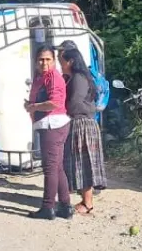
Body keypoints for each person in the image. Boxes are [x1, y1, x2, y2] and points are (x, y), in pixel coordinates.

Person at [24, 45, 72, 220]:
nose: (44, 62)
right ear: (36, 61)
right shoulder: (41, 77)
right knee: (57, 167)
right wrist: (31, 106)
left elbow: (55, 103)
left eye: (48, 59)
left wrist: (34, 107)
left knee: (50, 168)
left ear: (53, 61)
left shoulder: (53, 77)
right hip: (48, 124)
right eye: (41, 59)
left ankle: (48, 207)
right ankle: (65, 206)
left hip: (53, 124)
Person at [59, 47, 107, 214]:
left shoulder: (78, 79)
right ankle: (85, 200)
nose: (60, 63)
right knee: (81, 162)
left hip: (82, 124)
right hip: (84, 123)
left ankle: (88, 203)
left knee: (84, 163)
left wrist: (61, 109)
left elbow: (75, 102)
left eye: (61, 60)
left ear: (70, 61)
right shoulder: (75, 77)